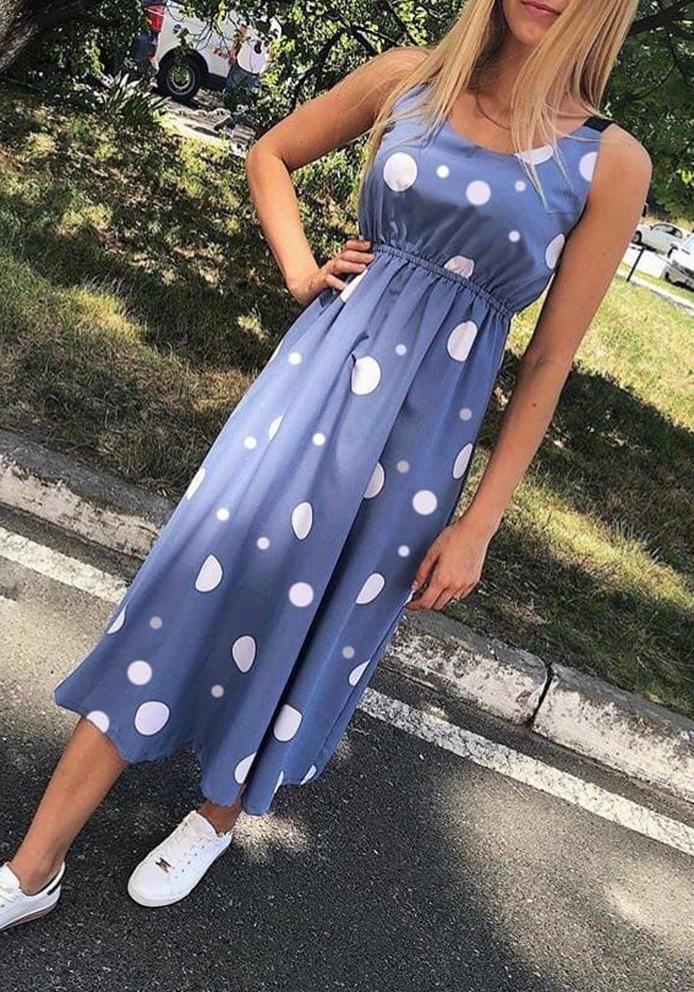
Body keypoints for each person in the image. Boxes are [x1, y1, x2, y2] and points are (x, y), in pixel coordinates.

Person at [1, 0, 650, 931]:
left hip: (420, 450)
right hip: (309, 390)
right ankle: (34, 867)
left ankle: (217, 815)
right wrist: (303, 269)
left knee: (316, 625)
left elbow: (549, 361)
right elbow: (271, 153)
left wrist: (478, 525)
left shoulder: (608, 161)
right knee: (190, 582)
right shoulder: (409, 78)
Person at [214, 22, 276, 133]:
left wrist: (233, 51)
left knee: (232, 93)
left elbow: (240, 34)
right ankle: (231, 122)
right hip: (252, 67)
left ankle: (230, 123)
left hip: (246, 65)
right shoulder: (274, 27)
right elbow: (271, 52)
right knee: (240, 99)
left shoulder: (254, 19)